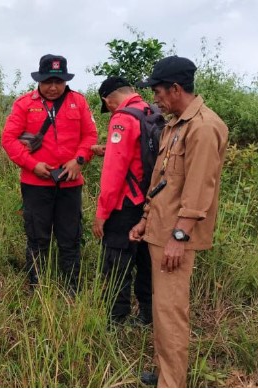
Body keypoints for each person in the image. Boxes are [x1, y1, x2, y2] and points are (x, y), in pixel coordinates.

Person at [129, 56, 228, 387]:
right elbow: (163, 182)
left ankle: (172, 383)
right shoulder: (176, 125)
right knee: (161, 310)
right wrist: (145, 220)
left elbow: (199, 190)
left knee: (171, 313)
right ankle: (164, 373)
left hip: (175, 236)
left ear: (174, 89)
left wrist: (179, 237)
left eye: (157, 91)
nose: (154, 98)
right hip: (160, 229)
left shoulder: (204, 127)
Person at [1, 54, 97, 294]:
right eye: (48, 82)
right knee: (37, 236)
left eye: (58, 82)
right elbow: (9, 139)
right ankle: (36, 287)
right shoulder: (24, 104)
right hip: (36, 183)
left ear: (65, 81)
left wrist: (79, 160)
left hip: (70, 182)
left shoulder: (79, 102)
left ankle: (72, 288)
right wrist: (32, 165)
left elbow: (90, 136)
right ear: (39, 81)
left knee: (70, 237)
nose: (53, 87)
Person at [92, 76, 152, 326]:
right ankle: (148, 314)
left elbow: (115, 171)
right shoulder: (150, 111)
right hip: (150, 201)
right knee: (146, 260)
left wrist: (102, 213)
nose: (112, 111)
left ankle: (116, 319)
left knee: (117, 260)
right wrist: (109, 147)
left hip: (126, 202)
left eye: (109, 107)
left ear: (109, 100)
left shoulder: (123, 118)